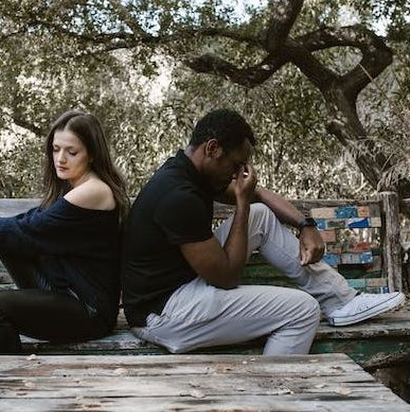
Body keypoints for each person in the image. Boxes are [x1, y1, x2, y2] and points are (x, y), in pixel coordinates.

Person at [122, 108, 405, 355]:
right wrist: (242, 203)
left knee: (260, 215)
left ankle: (341, 301)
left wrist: (306, 226)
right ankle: (269, 398)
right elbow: (227, 277)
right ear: (212, 148)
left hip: (180, 290)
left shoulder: (191, 171)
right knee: (302, 310)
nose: (236, 175)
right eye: (234, 166)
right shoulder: (178, 195)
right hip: (164, 315)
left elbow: (257, 195)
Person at [0, 110, 129, 353]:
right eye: (56, 149)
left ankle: (13, 380)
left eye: (72, 152)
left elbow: (26, 229)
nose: (61, 159)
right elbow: (18, 227)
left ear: (92, 155)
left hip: (88, 310)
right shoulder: (76, 187)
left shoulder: (93, 191)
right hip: (62, 289)